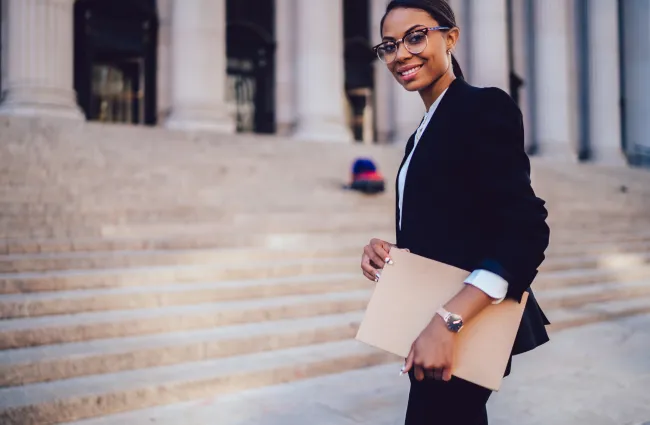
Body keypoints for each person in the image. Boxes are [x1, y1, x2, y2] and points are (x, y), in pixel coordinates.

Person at [359, 1, 551, 424]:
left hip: (460, 322)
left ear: (450, 37)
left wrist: (448, 322)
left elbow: (525, 229)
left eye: (415, 36)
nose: (401, 55)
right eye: (389, 45)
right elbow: (454, 223)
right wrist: (394, 252)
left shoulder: (482, 107)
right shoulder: (420, 135)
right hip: (431, 315)